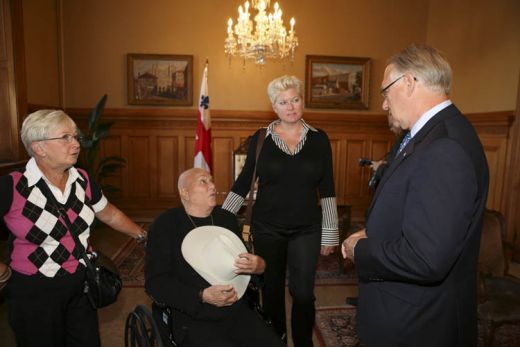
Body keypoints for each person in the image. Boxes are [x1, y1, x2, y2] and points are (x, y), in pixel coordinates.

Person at [342, 44, 489, 346]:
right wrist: (372, 230)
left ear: (408, 82)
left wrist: (361, 250)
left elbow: (426, 258)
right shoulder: (425, 135)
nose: (384, 104)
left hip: (419, 325)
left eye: (385, 91)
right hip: (406, 314)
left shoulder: (444, 147)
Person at [0, 109, 147, 347]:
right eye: (65, 137)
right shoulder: (13, 186)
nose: (75, 143)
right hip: (34, 292)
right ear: (39, 147)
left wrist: (142, 235)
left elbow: (109, 213)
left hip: (81, 284)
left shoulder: (82, 179)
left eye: (75, 137)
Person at [222, 75, 339, 346]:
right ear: (274, 107)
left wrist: (330, 234)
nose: (290, 107)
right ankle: (276, 340)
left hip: (306, 229)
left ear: (302, 101)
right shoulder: (260, 138)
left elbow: (329, 189)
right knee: (271, 291)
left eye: (295, 100)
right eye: (283, 102)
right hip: (267, 228)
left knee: (303, 293)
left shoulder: (320, 140)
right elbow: (242, 183)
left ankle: (302, 342)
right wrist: (222, 220)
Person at [144, 168, 283, 347]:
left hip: (236, 311)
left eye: (212, 181)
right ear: (184, 192)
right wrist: (202, 295)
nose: (213, 186)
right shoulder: (166, 225)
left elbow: (246, 269)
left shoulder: (226, 219)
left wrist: (259, 266)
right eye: (203, 181)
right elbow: (156, 283)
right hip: (192, 317)